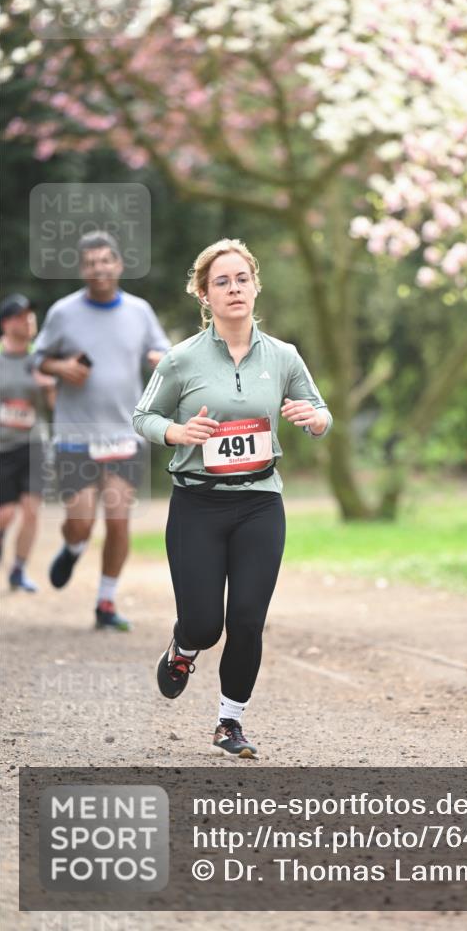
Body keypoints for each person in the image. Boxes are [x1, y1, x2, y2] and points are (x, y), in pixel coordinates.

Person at [132, 238, 332, 759]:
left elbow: (318, 408)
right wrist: (177, 433)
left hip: (260, 502)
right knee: (205, 623)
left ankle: (229, 722)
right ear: (205, 295)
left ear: (255, 285)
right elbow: (143, 417)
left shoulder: (284, 356)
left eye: (242, 278)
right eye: (222, 281)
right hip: (197, 503)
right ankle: (183, 648)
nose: (234, 288)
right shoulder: (181, 359)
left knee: (247, 618)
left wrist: (316, 420)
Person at [33, 231, 170, 630]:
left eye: (105, 261)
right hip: (75, 434)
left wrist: (157, 357)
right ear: (82, 269)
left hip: (124, 432)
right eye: (91, 263)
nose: (99, 269)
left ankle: (106, 603)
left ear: (118, 265)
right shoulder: (63, 312)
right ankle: (73, 546)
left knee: (117, 520)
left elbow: (161, 351)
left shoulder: (139, 311)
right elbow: (39, 359)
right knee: (80, 521)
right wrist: (60, 368)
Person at [0, 294, 55, 591]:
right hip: (2, 448)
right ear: (6, 323)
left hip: (34, 444)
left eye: (31, 315)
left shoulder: (40, 361)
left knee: (31, 509)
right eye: (22, 316)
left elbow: (56, 406)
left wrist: (48, 388)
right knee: (5, 513)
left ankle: (18, 570)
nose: (29, 320)